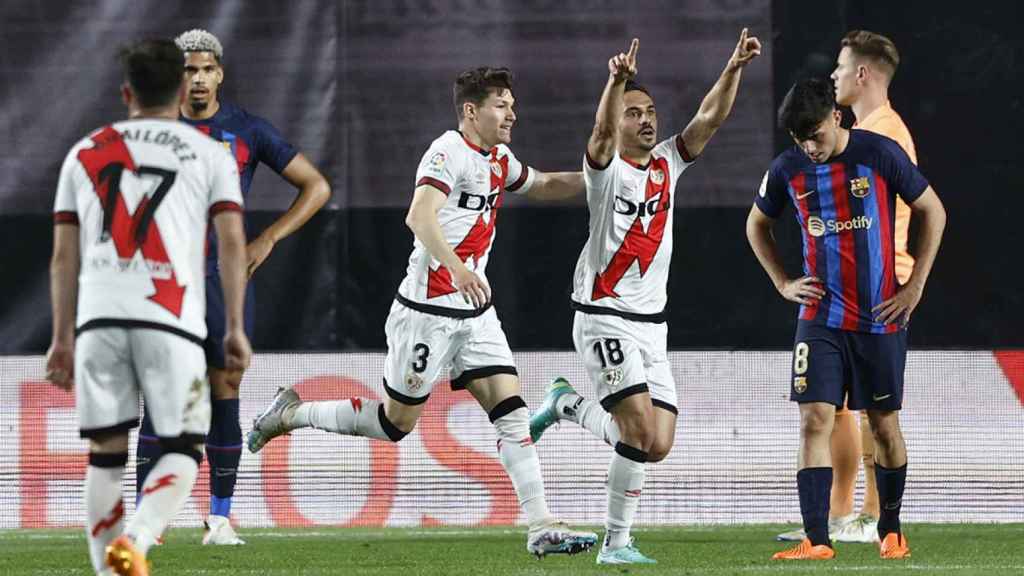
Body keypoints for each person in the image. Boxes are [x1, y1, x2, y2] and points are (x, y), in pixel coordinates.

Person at [246, 66, 597, 557]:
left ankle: (540, 524)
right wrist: (456, 268)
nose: (512, 112)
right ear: (471, 112)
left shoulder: (499, 159)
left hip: (474, 312)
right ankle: (291, 414)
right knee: (393, 425)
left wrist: (602, 181)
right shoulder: (447, 150)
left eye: (513, 104)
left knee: (511, 413)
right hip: (426, 312)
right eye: (502, 104)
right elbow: (419, 215)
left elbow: (542, 184)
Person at [529, 31, 761, 564]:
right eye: (634, 113)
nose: (646, 120)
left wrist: (733, 66)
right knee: (636, 427)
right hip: (603, 315)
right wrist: (615, 84)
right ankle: (616, 544)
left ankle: (564, 403)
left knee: (657, 443)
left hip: (651, 325)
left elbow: (708, 119)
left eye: (650, 111)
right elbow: (599, 133)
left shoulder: (666, 165)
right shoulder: (605, 172)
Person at [45, 39, 250, 575]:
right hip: (171, 318)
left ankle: (109, 568)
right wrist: (233, 325)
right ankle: (134, 541)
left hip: (98, 319)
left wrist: (61, 337)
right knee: (183, 447)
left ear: (126, 93)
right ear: (182, 90)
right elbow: (231, 242)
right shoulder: (210, 153)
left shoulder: (85, 151)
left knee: (107, 455)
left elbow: (63, 257)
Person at [132, 28, 331, 546]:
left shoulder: (246, 129)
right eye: (188, 70)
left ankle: (219, 519)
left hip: (223, 285)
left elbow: (317, 186)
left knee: (223, 396)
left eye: (205, 70)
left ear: (218, 73)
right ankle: (146, 522)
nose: (197, 79)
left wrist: (266, 238)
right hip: (166, 284)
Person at [749, 78, 945, 560]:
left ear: (836, 116)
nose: (809, 147)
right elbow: (757, 224)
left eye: (815, 134)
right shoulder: (787, 169)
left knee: (883, 427)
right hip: (819, 316)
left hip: (879, 316)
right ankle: (817, 540)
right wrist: (782, 282)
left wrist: (914, 286)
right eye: (799, 139)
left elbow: (933, 211)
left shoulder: (879, 154)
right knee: (814, 418)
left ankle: (892, 529)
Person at [776, 30, 919, 545]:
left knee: (874, 414)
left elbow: (909, 210)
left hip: (880, 287)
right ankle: (838, 516)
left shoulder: (885, 135)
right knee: (828, 409)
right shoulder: (853, 130)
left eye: (840, 68)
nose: (833, 76)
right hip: (836, 295)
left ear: (862, 74)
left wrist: (906, 280)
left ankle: (874, 514)